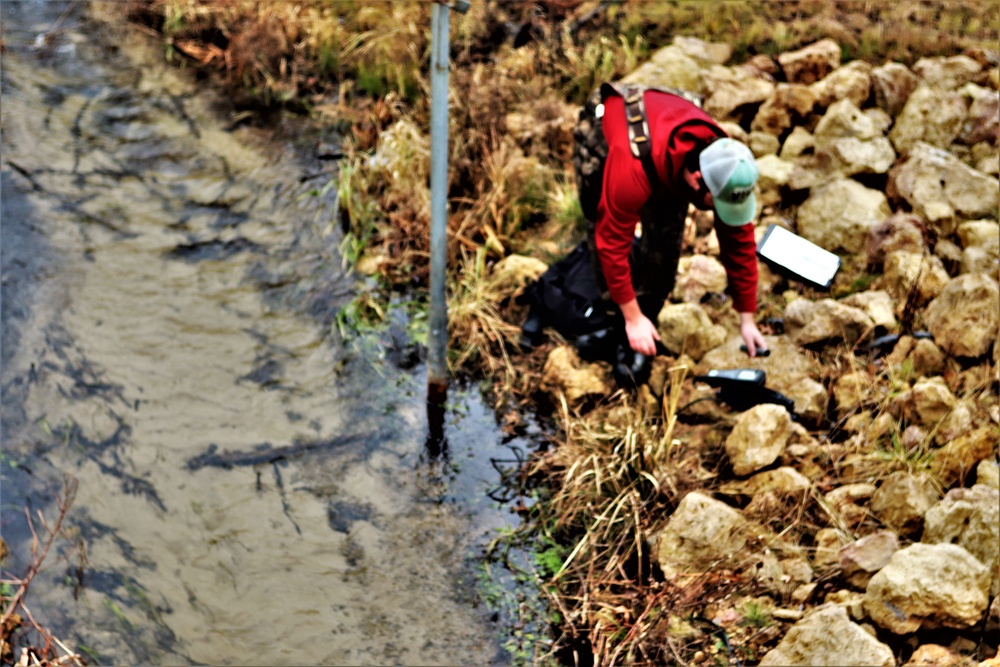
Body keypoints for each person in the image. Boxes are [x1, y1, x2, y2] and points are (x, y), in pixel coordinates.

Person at [522, 83, 767, 373]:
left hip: (666, 136)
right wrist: (631, 317)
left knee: (665, 246)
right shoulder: (631, 168)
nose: (719, 212)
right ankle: (619, 318)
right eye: (716, 204)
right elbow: (611, 243)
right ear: (696, 179)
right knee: (601, 225)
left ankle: (645, 318)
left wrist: (747, 317)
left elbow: (738, 240)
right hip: (609, 131)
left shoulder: (726, 163)